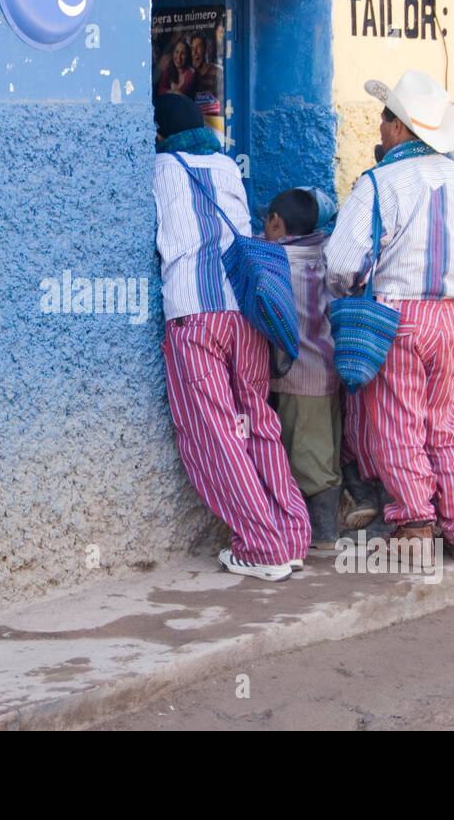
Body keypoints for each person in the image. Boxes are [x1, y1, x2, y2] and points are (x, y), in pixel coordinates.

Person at [323, 70, 454, 563]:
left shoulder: (381, 184)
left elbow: (341, 262)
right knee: (445, 427)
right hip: (450, 318)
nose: (380, 127)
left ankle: (416, 528)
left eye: (384, 118)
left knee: (398, 427)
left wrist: (350, 295)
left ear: (399, 128)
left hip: (395, 318)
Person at [153, 93, 311, 581]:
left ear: (157, 133)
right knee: (255, 422)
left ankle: (261, 547)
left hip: (194, 314)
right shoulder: (225, 166)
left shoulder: (156, 168)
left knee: (215, 432)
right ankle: (290, 534)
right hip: (243, 313)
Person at [264, 186, 344, 549]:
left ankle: (324, 533)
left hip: (297, 376)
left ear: (276, 222)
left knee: (308, 457)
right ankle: (328, 525)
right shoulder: (324, 251)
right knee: (325, 447)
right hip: (328, 369)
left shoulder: (278, 262)